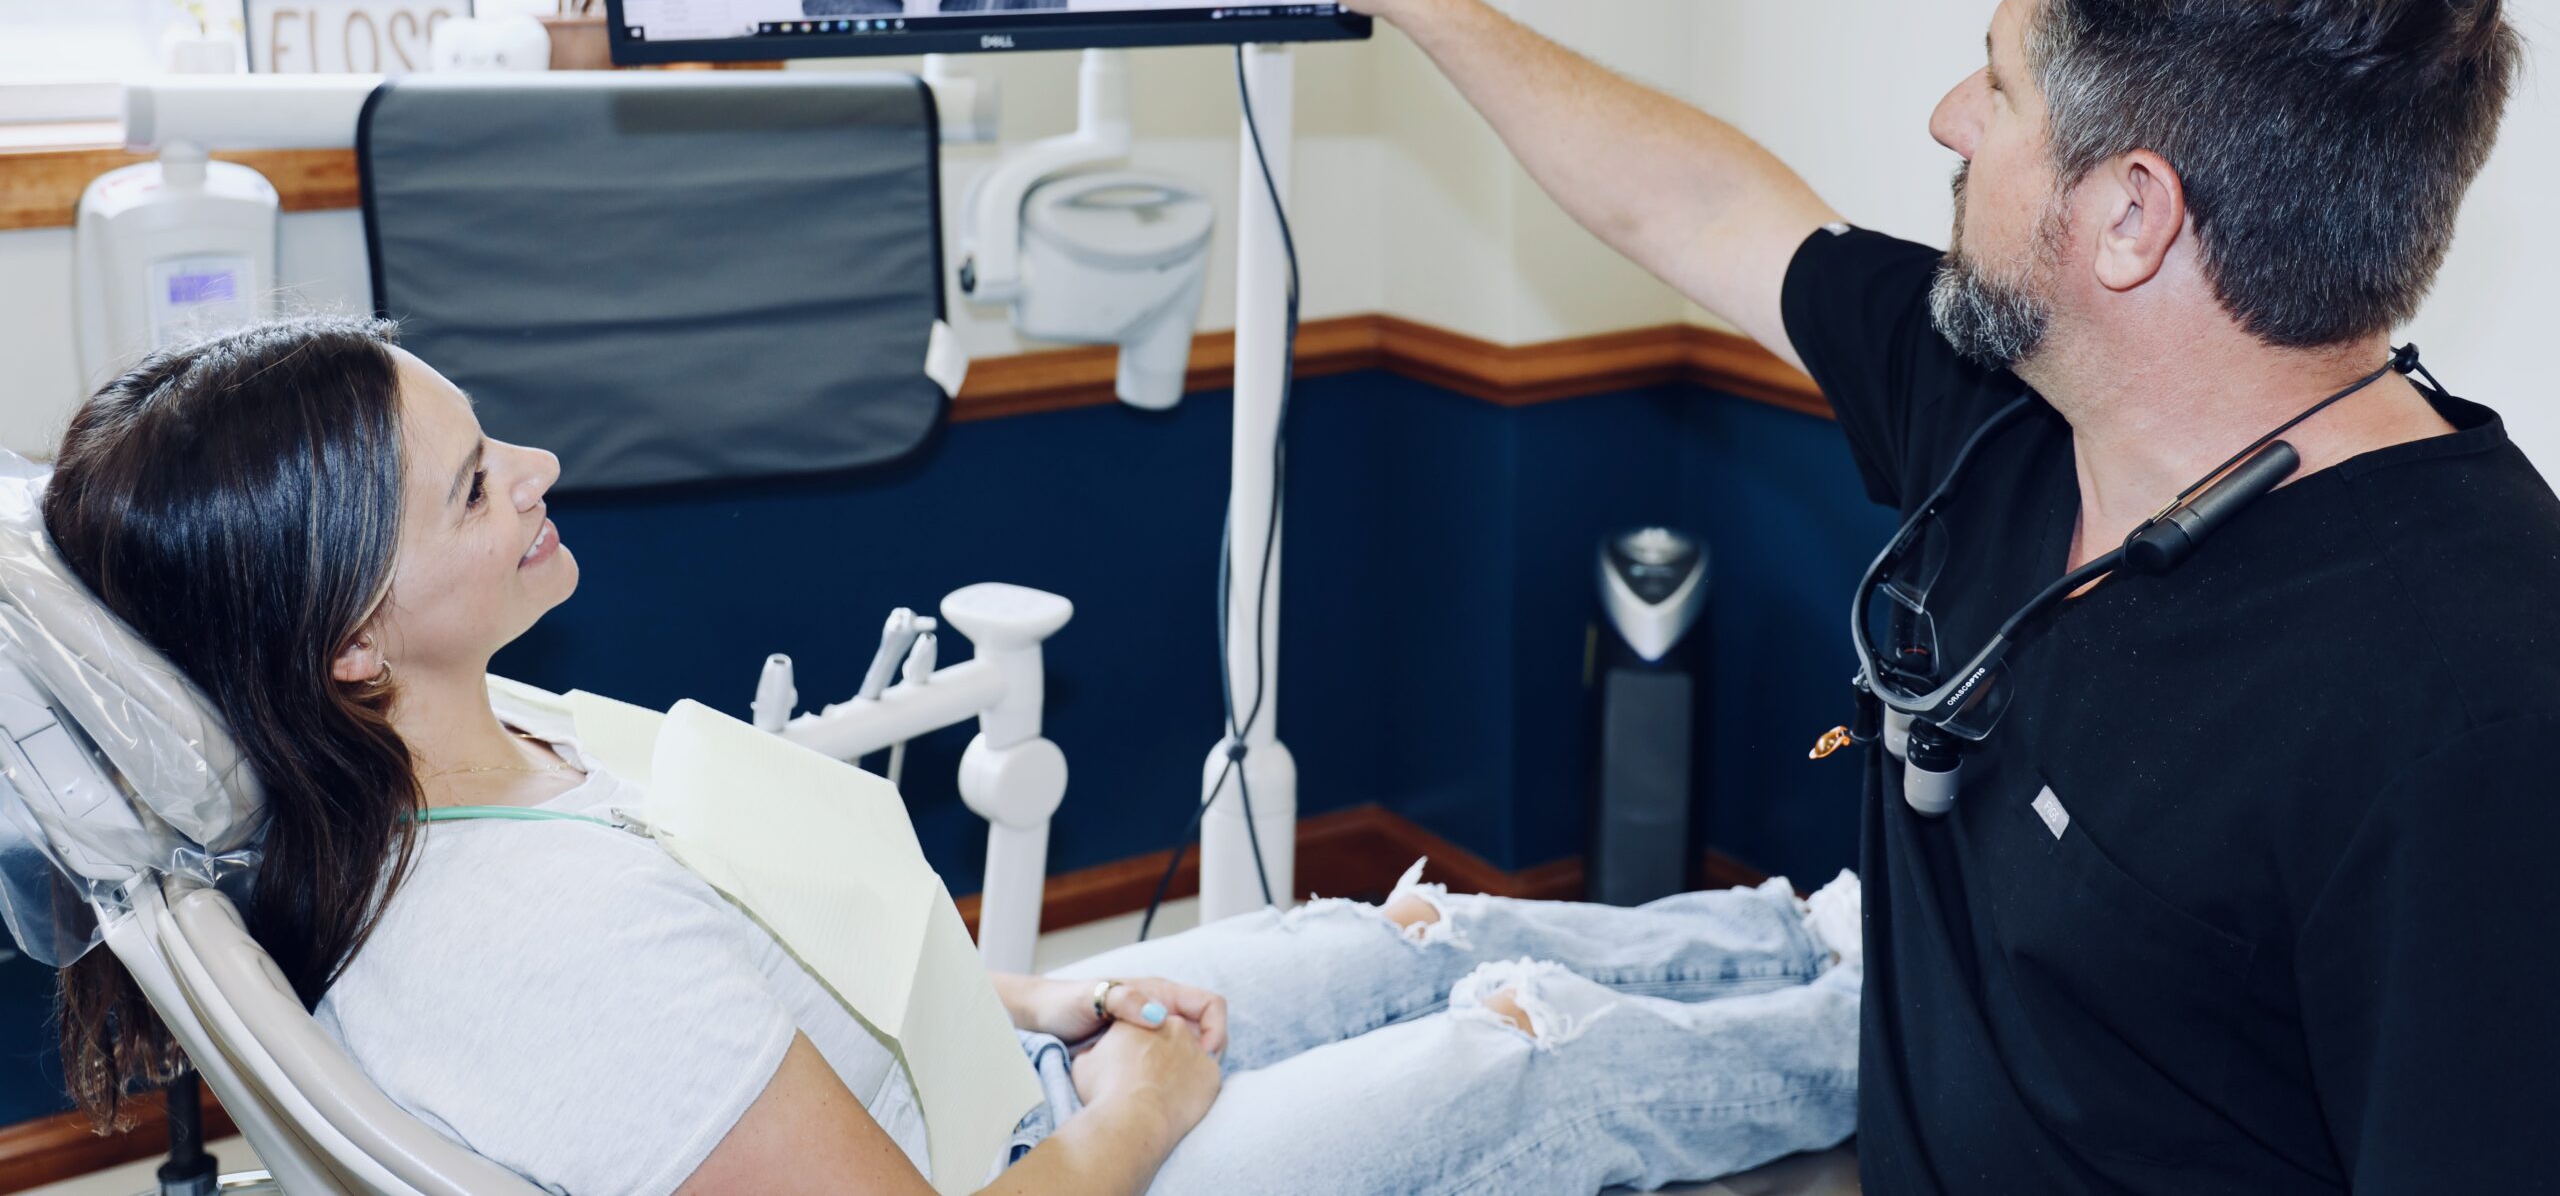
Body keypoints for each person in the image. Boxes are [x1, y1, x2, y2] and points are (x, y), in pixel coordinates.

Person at [1229, 0, 2560, 1193]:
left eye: (1998, 87)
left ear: (2130, 213)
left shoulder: (2474, 714)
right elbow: (1697, 208)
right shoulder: (2015, 407)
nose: (1949, 120)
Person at [42, 316, 1859, 1196]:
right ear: (351, 644)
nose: (538, 475)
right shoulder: (530, 953)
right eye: (474, 486)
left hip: (981, 1078)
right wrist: (1139, 1114)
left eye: (489, 435)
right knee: (1508, 1067)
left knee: (1390, 941)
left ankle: (1822, 936)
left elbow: (773, 950)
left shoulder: (484, 737)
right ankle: (1910, 1027)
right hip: (1006, 1178)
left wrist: (1040, 1007)